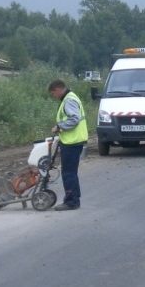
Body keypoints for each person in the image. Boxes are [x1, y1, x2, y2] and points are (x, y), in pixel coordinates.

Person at [48, 79, 88, 211]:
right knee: (72, 172)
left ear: (58, 90)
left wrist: (59, 127)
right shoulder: (70, 97)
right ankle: (75, 198)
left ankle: (71, 202)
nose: (54, 96)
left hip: (72, 142)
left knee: (68, 173)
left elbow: (74, 119)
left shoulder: (69, 100)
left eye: (53, 93)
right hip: (73, 141)